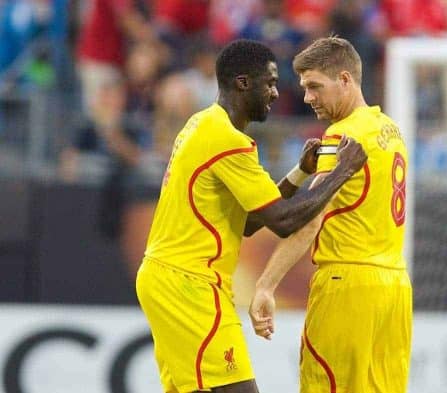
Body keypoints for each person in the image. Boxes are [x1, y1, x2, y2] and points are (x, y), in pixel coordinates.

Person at [135, 39, 367, 393]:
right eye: (270, 83)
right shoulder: (228, 140)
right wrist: (341, 172)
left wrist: (300, 174)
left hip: (168, 277)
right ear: (243, 83)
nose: (276, 94)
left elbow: (247, 223)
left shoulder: (204, 124)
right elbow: (283, 221)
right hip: (189, 282)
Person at [249, 37, 412, 393]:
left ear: (344, 79)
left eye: (314, 87)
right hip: (394, 288)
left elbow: (310, 221)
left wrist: (266, 285)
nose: (307, 98)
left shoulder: (342, 136)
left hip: (347, 285)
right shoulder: (390, 130)